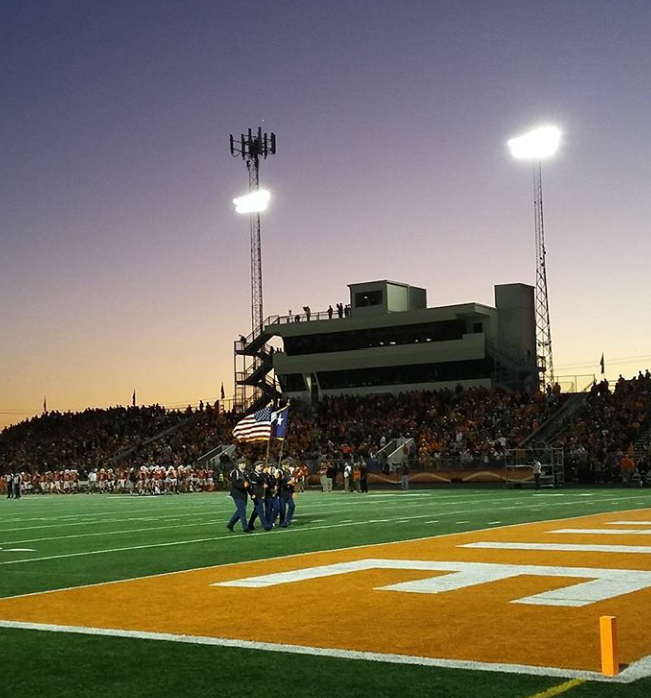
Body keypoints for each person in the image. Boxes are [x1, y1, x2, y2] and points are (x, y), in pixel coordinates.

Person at [226, 460, 252, 533]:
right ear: (238, 464)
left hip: (244, 494)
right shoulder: (235, 472)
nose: (244, 465)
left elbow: (248, 484)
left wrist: (251, 493)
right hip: (237, 494)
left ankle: (230, 524)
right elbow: (234, 483)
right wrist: (242, 485)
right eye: (242, 463)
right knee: (242, 511)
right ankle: (245, 528)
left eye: (244, 463)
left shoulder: (245, 473)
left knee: (240, 510)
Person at [247, 462, 272, 531]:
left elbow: (267, 481)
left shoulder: (262, 474)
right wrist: (264, 474)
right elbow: (257, 479)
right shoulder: (252, 474)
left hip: (262, 494)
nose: (261, 467)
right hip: (256, 494)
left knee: (256, 510)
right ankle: (265, 525)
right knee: (260, 510)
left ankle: (250, 523)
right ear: (256, 466)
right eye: (260, 466)